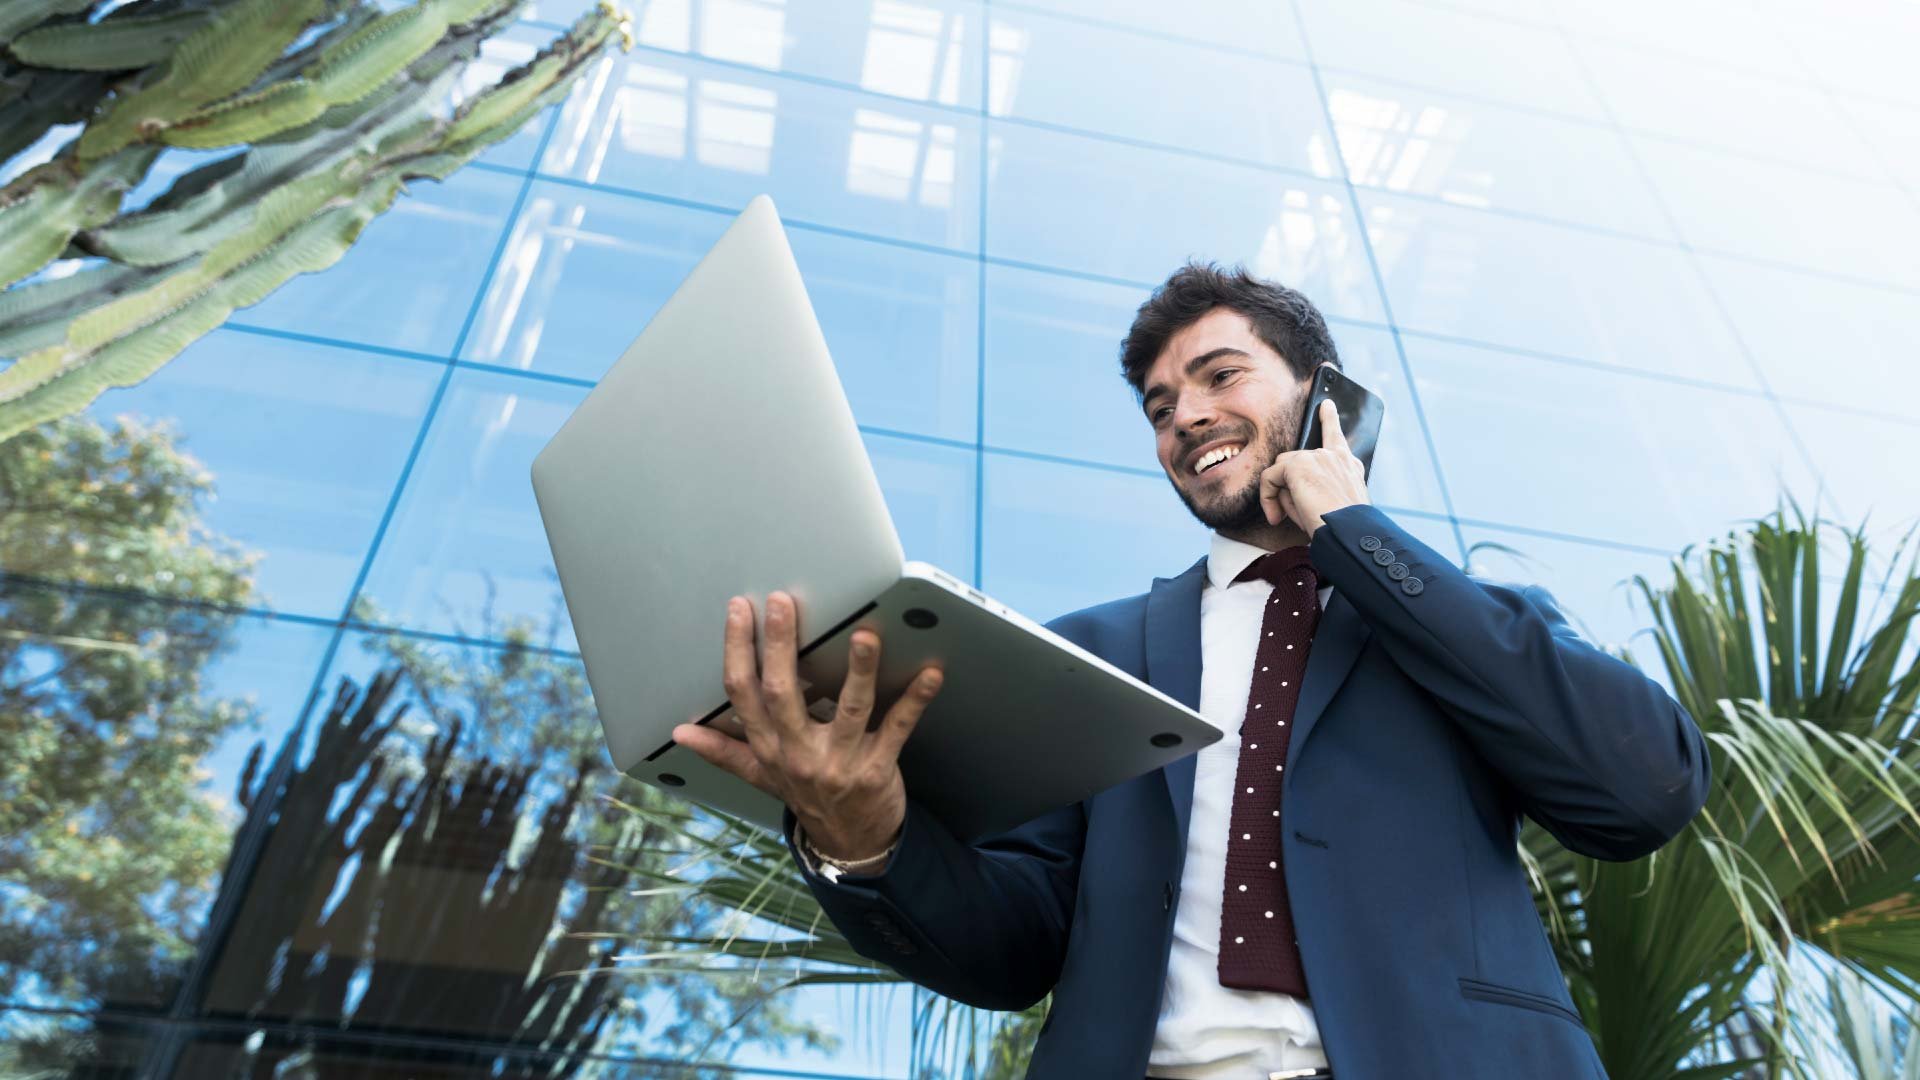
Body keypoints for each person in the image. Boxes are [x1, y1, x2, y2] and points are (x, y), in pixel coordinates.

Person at [672, 263, 1711, 1080]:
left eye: (1221, 376)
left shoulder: (1455, 625)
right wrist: (865, 841)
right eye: (1161, 407)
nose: (1186, 418)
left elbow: (1641, 792)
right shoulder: (1094, 653)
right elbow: (1013, 949)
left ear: (1323, 401)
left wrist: (1352, 528)